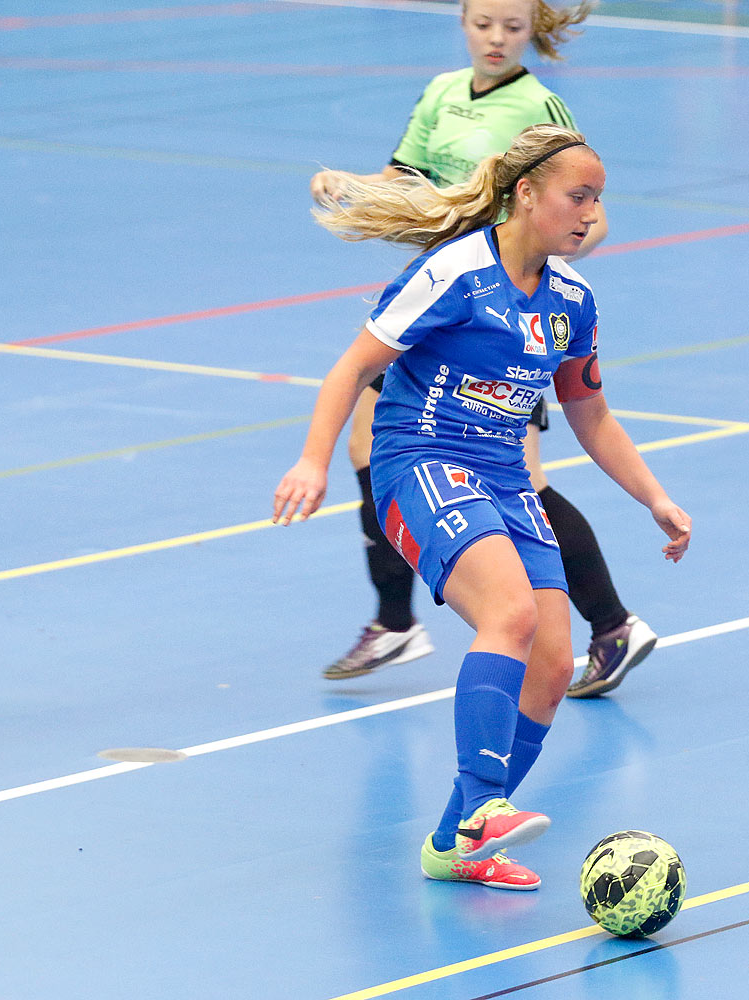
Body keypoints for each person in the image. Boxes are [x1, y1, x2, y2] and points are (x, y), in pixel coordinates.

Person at [274, 126, 692, 889]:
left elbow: (590, 414)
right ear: (526, 194)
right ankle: (484, 812)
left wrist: (654, 497)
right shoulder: (456, 272)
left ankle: (453, 843)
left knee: (556, 661)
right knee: (513, 614)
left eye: (598, 200)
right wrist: (313, 458)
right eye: (578, 196)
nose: (591, 213)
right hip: (421, 458)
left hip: (503, 472)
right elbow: (354, 365)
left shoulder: (572, 299)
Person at [309, 0, 658, 700]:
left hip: (497, 334)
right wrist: (352, 189)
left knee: (524, 484)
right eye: (484, 24)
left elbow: (589, 212)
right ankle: (395, 617)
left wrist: (529, 275)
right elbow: (403, 182)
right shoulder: (441, 93)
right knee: (364, 448)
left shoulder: (539, 107)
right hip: (439, 317)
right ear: (463, 23)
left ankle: (611, 623)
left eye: (513, 27)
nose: (496, 38)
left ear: (533, 32)